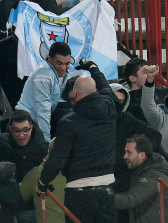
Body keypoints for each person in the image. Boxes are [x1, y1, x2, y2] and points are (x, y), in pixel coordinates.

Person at [37, 63, 119, 222]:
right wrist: (94, 69)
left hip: (77, 191)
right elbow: (106, 89)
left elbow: (58, 157)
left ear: (74, 93)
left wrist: (42, 182)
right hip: (106, 188)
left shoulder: (68, 122)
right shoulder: (110, 109)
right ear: (96, 92)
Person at [114, 135, 168, 223]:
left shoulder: (154, 175)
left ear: (142, 155)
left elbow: (130, 199)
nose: (125, 156)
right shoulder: (140, 171)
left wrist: (103, 198)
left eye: (129, 152)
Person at [16, 41, 74, 142]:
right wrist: (46, 141)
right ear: (49, 59)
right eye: (59, 63)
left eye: (67, 63)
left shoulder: (64, 75)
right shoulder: (44, 74)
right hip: (25, 121)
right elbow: (43, 108)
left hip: (37, 120)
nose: (63, 68)